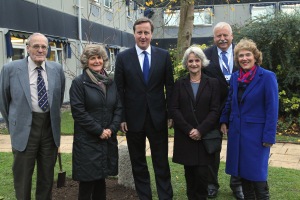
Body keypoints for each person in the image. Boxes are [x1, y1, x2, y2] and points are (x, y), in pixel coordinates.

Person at [0, 32, 65, 199]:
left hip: (49, 129)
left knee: (46, 176)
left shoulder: (56, 69)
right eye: (36, 46)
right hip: (24, 130)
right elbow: (4, 102)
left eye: (44, 47)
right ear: (27, 48)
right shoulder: (10, 69)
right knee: (22, 176)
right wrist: (14, 125)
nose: (40, 50)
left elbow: (58, 98)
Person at [114, 17, 174, 200]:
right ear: (134, 34)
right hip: (133, 119)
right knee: (138, 162)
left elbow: (170, 87)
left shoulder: (163, 56)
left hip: (158, 118)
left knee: (161, 162)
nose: (143, 36)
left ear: (151, 34)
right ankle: (144, 196)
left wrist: (170, 113)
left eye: (146, 32)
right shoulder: (123, 57)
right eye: (139, 32)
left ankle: (165, 196)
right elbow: (119, 89)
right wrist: (122, 117)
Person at [220, 38, 278, 199]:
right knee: (243, 176)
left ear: (255, 56)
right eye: (240, 56)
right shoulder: (235, 77)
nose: (244, 58)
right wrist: (224, 120)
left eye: (247, 55)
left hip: (257, 137)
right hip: (237, 135)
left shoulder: (267, 77)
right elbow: (230, 101)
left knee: (258, 177)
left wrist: (269, 136)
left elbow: (272, 109)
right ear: (237, 59)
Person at [69, 44, 122, 200]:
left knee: (101, 180)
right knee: (87, 183)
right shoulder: (79, 83)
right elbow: (78, 112)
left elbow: (118, 108)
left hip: (107, 139)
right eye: (93, 58)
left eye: (99, 57)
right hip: (88, 141)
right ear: (87, 61)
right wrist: (99, 131)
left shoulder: (110, 82)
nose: (97, 61)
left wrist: (111, 129)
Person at [170, 45, 220, 199]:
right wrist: (189, 130)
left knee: (202, 175)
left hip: (204, 136)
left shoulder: (213, 83)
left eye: (197, 60)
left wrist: (200, 130)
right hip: (186, 137)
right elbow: (174, 109)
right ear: (186, 63)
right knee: (190, 176)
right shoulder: (179, 83)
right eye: (190, 61)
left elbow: (215, 110)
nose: (193, 64)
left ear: (202, 62)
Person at [203, 22, 243, 199]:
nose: (222, 39)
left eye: (225, 35)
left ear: (232, 36)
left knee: (239, 148)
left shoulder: (241, 54)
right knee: (212, 148)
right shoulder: (205, 55)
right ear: (214, 38)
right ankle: (211, 183)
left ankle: (237, 184)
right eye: (218, 36)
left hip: (239, 110)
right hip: (213, 111)